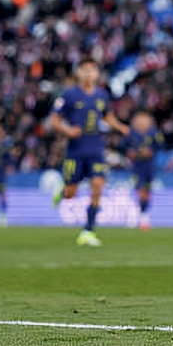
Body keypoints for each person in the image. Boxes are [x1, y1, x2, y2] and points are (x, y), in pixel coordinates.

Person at [50, 57, 129, 247]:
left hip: (96, 148)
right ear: (78, 73)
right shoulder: (69, 95)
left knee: (98, 184)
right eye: (84, 70)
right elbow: (54, 119)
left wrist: (120, 127)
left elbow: (107, 116)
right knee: (71, 193)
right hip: (75, 150)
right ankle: (62, 191)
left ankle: (88, 230)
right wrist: (68, 130)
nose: (88, 74)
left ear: (97, 74)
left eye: (92, 70)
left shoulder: (102, 95)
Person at [126, 110, 162, 231]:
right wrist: (130, 153)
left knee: (147, 191)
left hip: (149, 165)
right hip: (137, 166)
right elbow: (124, 146)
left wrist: (151, 152)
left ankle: (144, 213)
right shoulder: (131, 133)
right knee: (140, 189)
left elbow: (160, 146)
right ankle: (143, 215)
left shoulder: (154, 133)